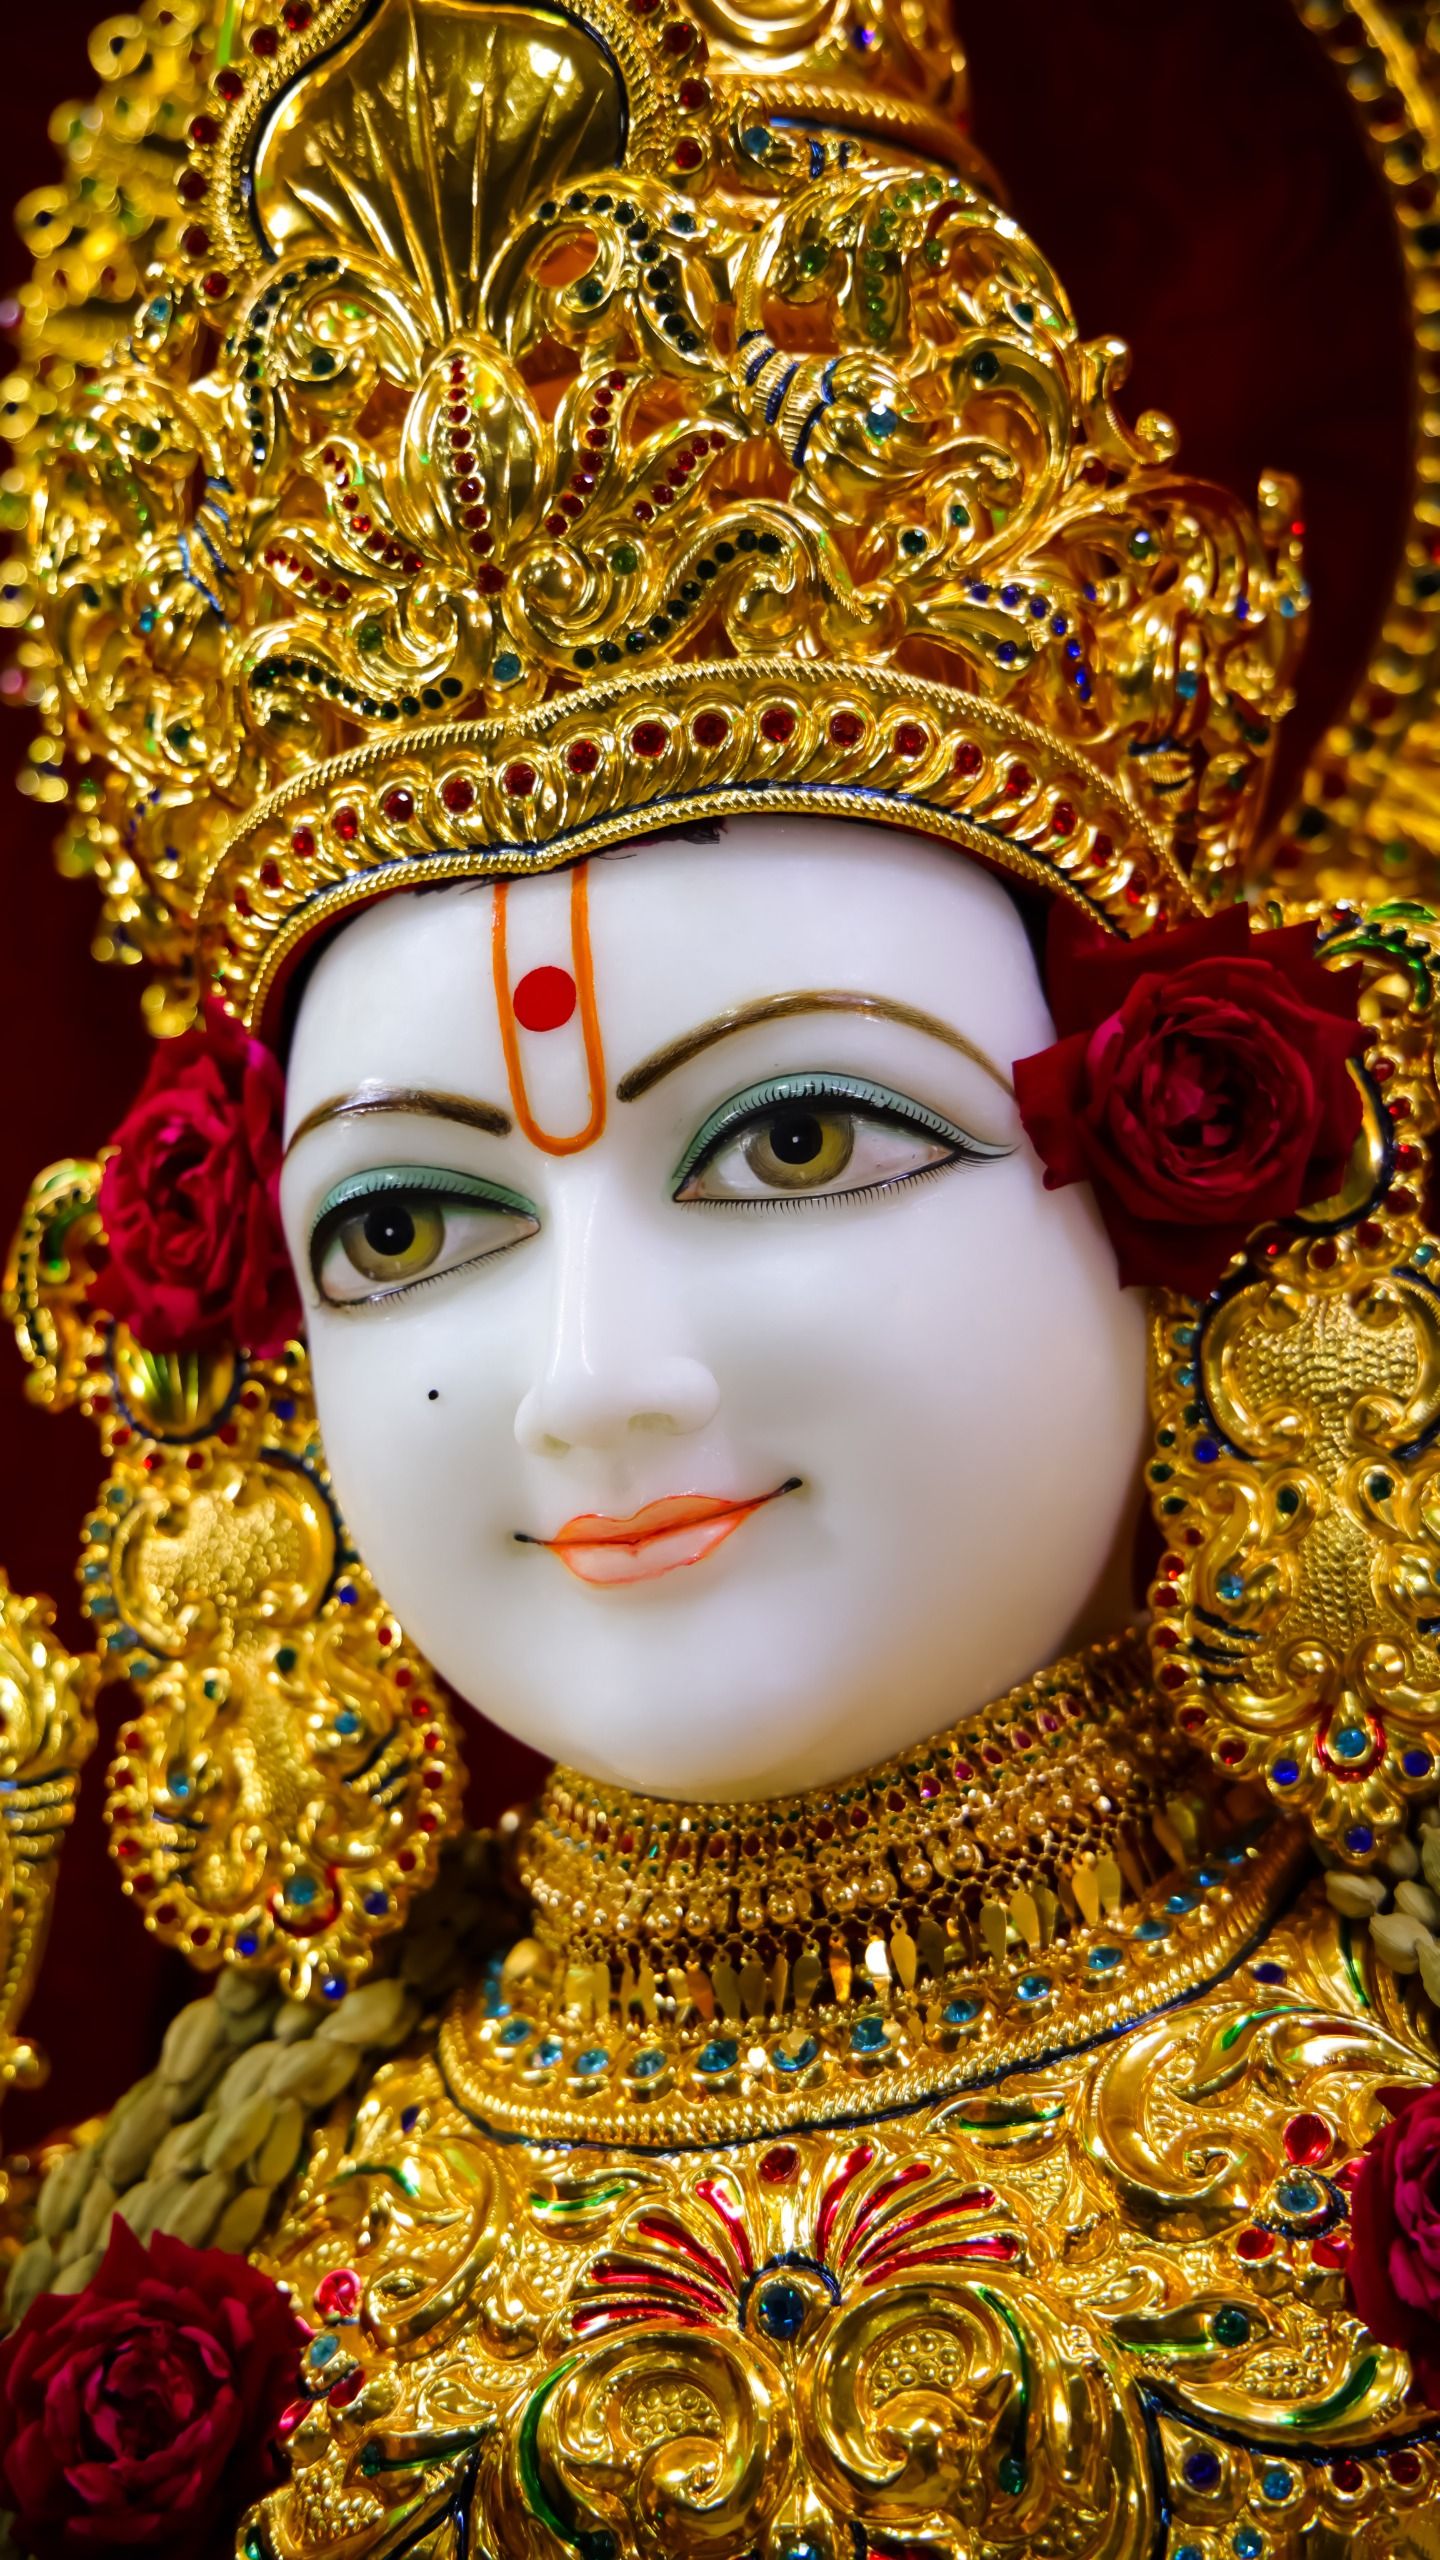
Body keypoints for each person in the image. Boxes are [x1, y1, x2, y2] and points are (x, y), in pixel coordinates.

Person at [0, 3, 1438, 2555]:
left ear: (1204, 1187)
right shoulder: (214, 2254)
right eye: (408, 1223)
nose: (596, 1381)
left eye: (790, 1136)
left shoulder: (1377, 2153)